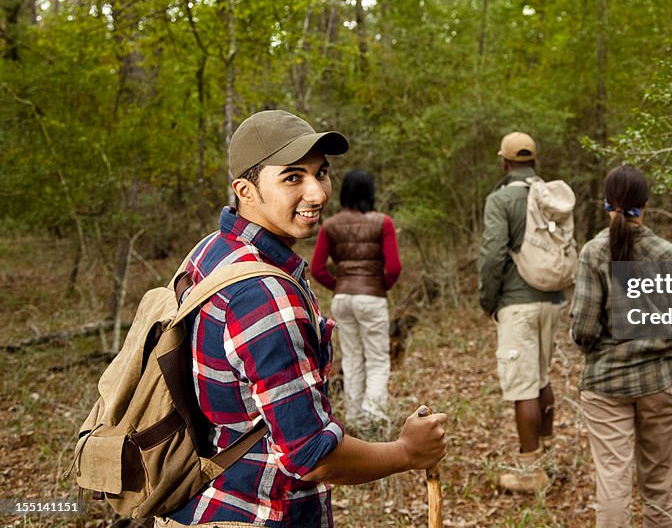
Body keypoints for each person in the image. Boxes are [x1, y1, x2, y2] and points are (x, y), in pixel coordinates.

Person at [158, 110, 445, 528]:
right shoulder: (264, 295)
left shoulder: (210, 252)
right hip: (261, 511)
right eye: (293, 177)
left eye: (321, 173)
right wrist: (407, 452)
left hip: (204, 498)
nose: (317, 193)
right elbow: (313, 458)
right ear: (246, 190)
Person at [570, 165, 672, 528]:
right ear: (645, 204)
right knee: (659, 485)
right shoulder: (669, 255)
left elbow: (584, 332)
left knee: (613, 483)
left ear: (606, 204)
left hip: (606, 387)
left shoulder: (592, 253)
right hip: (659, 383)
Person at [478, 131, 565, 494]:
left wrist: (488, 298)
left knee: (523, 388)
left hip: (517, 303)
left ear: (505, 161)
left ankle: (531, 472)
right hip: (553, 299)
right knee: (542, 379)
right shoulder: (550, 196)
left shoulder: (501, 199)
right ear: (535, 160)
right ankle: (546, 458)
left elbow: (493, 253)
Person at [312, 170, 401, 433]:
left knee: (351, 358)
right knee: (376, 358)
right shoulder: (382, 222)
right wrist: (380, 286)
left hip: (343, 299)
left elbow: (317, 269)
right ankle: (374, 417)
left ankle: (354, 417)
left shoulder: (330, 225)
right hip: (371, 297)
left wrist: (339, 286)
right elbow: (394, 267)